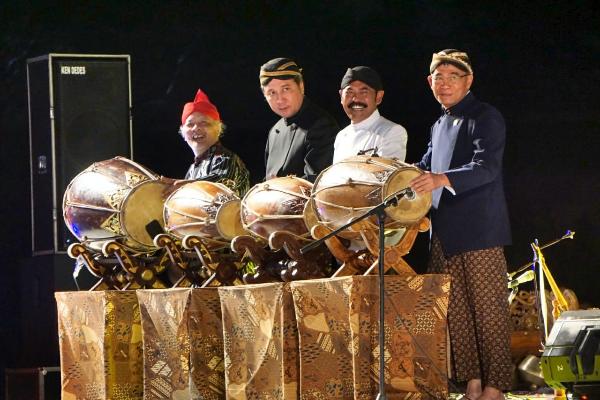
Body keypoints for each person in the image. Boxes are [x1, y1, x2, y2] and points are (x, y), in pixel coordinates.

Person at [410, 49, 512, 400]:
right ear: (429, 82)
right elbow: (423, 166)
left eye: (453, 76)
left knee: (488, 310)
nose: (445, 83)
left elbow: (486, 168)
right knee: (456, 313)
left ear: (468, 81)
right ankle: (471, 382)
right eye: (438, 77)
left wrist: (439, 179)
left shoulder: (485, 116)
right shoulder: (438, 124)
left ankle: (495, 385)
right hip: (443, 232)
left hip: (479, 230)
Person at [260, 57, 339, 181]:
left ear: (301, 86)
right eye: (272, 93)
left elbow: (317, 182)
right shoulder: (275, 131)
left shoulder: (321, 125)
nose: (280, 100)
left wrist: (279, 187)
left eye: (286, 89)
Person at [180, 89, 250, 196]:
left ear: (218, 129)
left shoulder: (226, 159)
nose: (196, 128)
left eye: (204, 123)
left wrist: (180, 187)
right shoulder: (192, 169)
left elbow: (219, 186)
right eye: (190, 124)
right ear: (183, 133)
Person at [334, 66, 408, 163]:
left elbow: (387, 176)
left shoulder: (391, 132)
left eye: (364, 92)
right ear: (341, 96)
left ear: (378, 97)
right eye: (349, 92)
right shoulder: (341, 136)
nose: (356, 99)